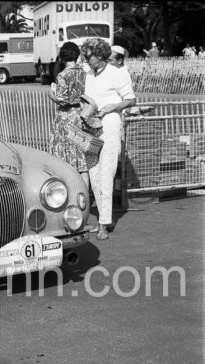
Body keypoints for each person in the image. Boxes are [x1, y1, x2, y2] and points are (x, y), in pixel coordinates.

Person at [81, 38, 136, 240]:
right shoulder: (89, 74)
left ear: (101, 55)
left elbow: (130, 99)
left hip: (110, 124)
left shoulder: (117, 73)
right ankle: (105, 218)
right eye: (85, 57)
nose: (87, 61)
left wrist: (114, 107)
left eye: (90, 57)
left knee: (106, 173)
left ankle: (104, 224)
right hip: (91, 125)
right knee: (94, 173)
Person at [47, 42, 89, 189]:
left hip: (66, 117)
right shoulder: (84, 72)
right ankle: (86, 196)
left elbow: (62, 100)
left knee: (65, 158)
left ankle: (71, 192)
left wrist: (51, 94)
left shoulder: (63, 75)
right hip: (81, 114)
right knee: (81, 160)